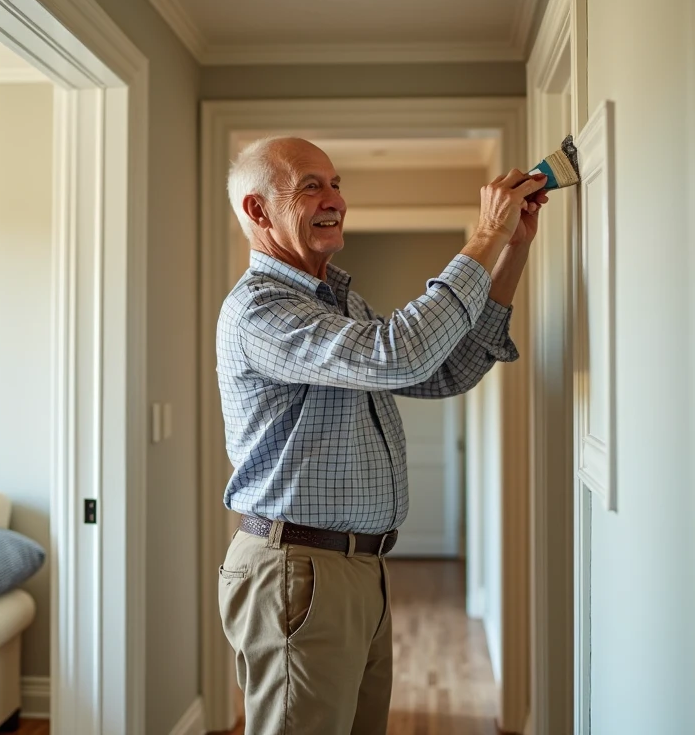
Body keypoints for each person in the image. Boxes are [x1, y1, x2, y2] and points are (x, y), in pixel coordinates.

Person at [215, 136, 547, 734]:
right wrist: (483, 235)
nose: (334, 198)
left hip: (356, 569)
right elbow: (401, 356)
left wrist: (511, 251)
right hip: (298, 571)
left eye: (336, 182)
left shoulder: (337, 302)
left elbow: (446, 369)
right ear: (257, 211)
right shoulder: (260, 308)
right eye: (310, 185)